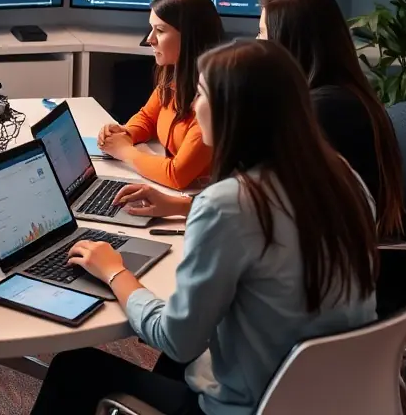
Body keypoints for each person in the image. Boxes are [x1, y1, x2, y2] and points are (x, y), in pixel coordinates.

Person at [32, 40, 378, 415]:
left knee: (74, 366)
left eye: (200, 94)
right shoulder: (342, 178)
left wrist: (114, 271)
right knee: (179, 362)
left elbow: (175, 339)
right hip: (333, 395)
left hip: (253, 404)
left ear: (235, 112)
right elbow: (279, 221)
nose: (194, 108)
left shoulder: (229, 205)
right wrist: (183, 205)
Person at [258, 0, 404, 238]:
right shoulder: (339, 93)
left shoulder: (325, 110)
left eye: (263, 35)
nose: (256, 44)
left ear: (289, 44)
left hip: (337, 263)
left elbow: (281, 206)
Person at [97, 0, 224, 190]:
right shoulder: (173, 78)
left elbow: (177, 175)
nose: (150, 39)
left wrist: (124, 151)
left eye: (161, 30)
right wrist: (125, 133)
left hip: (201, 201)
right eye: (151, 28)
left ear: (190, 37)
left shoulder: (212, 103)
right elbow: (148, 117)